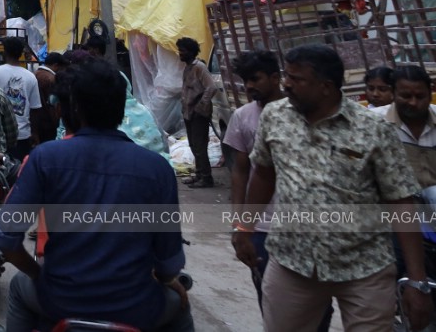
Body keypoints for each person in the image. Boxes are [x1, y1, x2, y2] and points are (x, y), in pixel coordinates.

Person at [233, 45, 430, 332]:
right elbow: (263, 174)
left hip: (365, 267)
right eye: (286, 75)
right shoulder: (275, 117)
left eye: (296, 79)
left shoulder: (373, 129)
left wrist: (416, 280)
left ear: (325, 87)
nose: (286, 84)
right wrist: (244, 227)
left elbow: (401, 202)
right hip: (292, 263)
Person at [0, 58, 193, 332]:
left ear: (70, 108)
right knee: (180, 304)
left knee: (18, 287)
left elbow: (5, 237)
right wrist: (167, 278)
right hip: (137, 305)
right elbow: (170, 260)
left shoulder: (45, 158)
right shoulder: (157, 168)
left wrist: (38, 274)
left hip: (59, 299)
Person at [223, 50, 334, 328]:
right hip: (262, 227)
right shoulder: (242, 117)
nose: (249, 86)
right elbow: (240, 171)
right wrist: (239, 222)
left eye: (255, 79)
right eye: (245, 80)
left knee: (318, 301)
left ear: (275, 78)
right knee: (270, 298)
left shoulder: (305, 112)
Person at [0, 37, 42, 159]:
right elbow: (35, 109)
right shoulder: (30, 77)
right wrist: (34, 133)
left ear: (5, 52)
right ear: (21, 54)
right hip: (22, 135)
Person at [177, 37, 218, 188]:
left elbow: (211, 87)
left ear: (191, 52)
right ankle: (199, 174)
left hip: (198, 113)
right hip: (189, 112)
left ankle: (206, 178)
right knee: (194, 146)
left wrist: (201, 106)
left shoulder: (199, 67)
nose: (180, 53)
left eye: (183, 50)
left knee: (200, 147)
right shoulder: (188, 68)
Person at [34, 52, 62, 144]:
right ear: (56, 65)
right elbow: (52, 104)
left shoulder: (34, 74)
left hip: (35, 121)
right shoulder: (51, 78)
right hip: (48, 123)